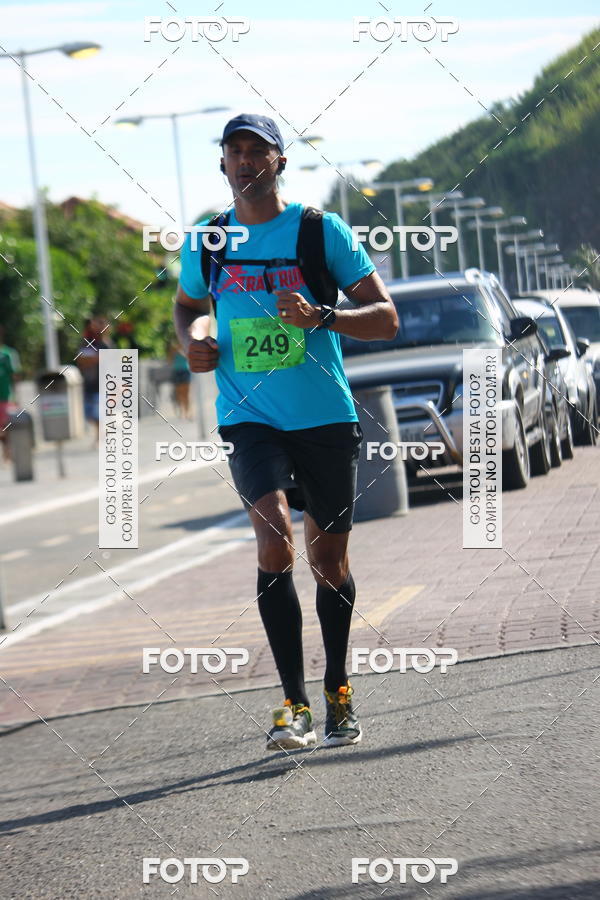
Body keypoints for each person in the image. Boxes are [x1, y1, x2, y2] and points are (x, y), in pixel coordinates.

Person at [173, 113, 398, 751]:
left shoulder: (318, 232)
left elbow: (385, 320)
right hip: (250, 418)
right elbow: (189, 306)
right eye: (233, 151)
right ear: (222, 164)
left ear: (278, 162)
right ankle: (293, 704)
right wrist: (194, 340)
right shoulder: (210, 240)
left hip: (324, 416)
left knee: (329, 562)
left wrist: (324, 314)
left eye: (257, 151)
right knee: (274, 540)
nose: (244, 161)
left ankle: (339, 692)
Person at [76, 316, 112, 446]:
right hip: (89, 382)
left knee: (99, 411)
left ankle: (100, 436)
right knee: (89, 413)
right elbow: (81, 361)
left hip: (103, 383)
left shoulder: (105, 343)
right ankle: (102, 433)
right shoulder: (87, 342)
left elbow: (105, 359)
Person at [0, 325, 20, 463]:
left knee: (5, 426)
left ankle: (7, 452)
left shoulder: (7, 354)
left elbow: (14, 376)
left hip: (5, 396)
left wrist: (16, 397)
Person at [168, 340, 192, 419]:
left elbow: (189, 358)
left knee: (186, 393)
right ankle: (181, 411)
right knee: (179, 393)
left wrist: (181, 350)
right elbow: (170, 361)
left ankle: (187, 412)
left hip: (185, 371)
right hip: (177, 371)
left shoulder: (185, 348)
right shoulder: (173, 349)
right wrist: (173, 351)